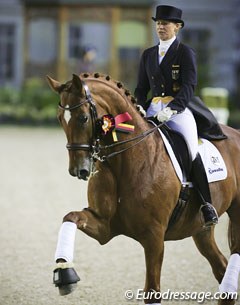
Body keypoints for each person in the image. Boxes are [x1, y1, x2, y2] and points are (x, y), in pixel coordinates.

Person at [134, 5, 226, 227]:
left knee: (191, 149)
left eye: (165, 23)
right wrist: (138, 106)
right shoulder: (148, 54)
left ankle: (206, 205)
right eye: (158, 23)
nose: (161, 27)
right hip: (153, 109)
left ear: (177, 27)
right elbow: (141, 87)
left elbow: (188, 87)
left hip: (179, 111)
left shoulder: (185, 52)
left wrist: (172, 109)